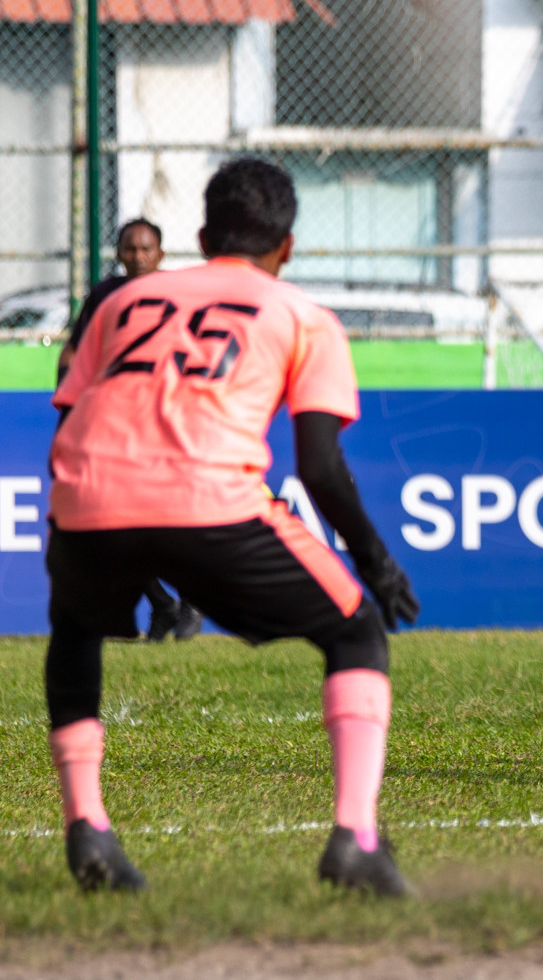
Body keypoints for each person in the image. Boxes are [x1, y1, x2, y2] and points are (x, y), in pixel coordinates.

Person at [46, 158, 420, 894]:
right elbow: (318, 466)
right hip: (209, 501)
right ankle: (355, 840)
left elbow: (72, 408)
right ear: (287, 246)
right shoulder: (302, 315)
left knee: (76, 633)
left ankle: (87, 827)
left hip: (85, 494)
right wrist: (377, 563)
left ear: (200, 234)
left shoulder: (126, 300)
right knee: (354, 632)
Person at [57, 218, 202, 644]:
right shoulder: (104, 295)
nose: (137, 257)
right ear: (118, 253)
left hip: (169, 425)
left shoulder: (181, 295)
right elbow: (74, 349)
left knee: (174, 523)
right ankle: (161, 604)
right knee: (109, 526)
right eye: (129, 249)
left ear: (160, 254)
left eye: (145, 249)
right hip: (116, 427)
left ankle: (191, 601)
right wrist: (67, 398)